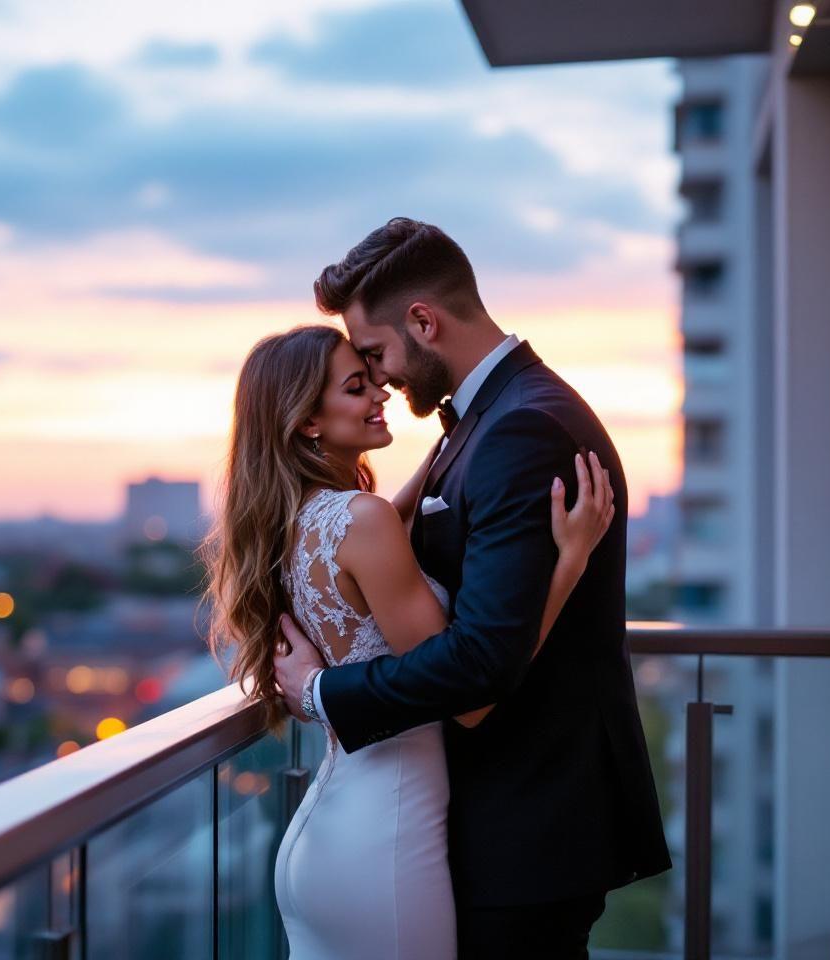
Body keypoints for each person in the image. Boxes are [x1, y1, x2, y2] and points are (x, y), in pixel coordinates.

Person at [271, 218, 671, 958]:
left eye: (376, 355)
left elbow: (483, 662)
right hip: (479, 816)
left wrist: (322, 692)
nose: (381, 380)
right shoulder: (486, 421)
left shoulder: (523, 429)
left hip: (528, 821)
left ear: (424, 321)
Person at [205, 320, 616, 959]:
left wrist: (449, 441)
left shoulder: (299, 521)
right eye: (355, 387)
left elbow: (382, 527)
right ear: (307, 421)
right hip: (388, 838)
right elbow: (472, 696)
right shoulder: (362, 520)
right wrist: (570, 563)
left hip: (330, 830)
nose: (381, 393)